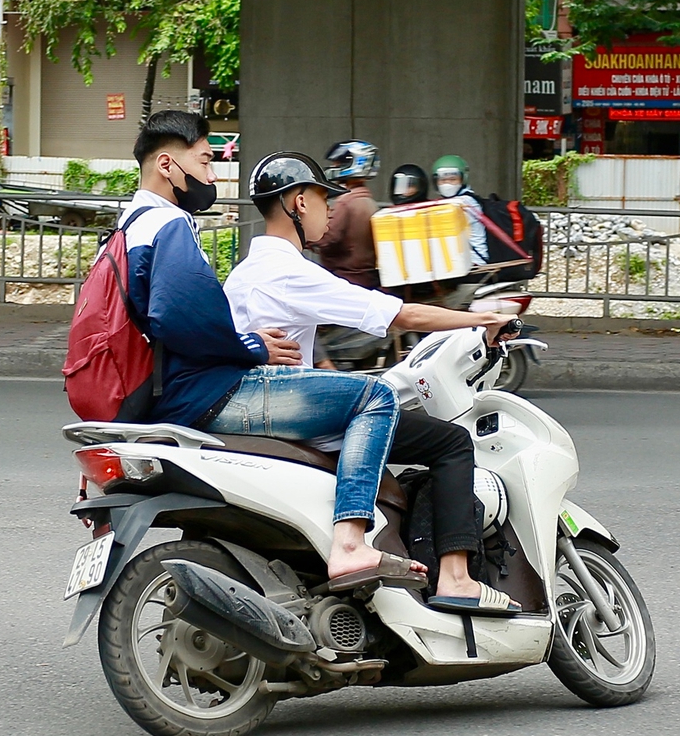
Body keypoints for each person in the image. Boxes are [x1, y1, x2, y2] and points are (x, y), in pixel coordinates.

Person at [117, 112, 417, 591]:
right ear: (169, 165)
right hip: (203, 393)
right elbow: (179, 320)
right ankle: (351, 541)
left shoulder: (125, 225)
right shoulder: (168, 222)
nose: (212, 176)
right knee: (373, 398)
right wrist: (251, 346)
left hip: (151, 398)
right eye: (207, 161)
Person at [227, 152, 524, 616]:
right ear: (298, 202)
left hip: (260, 408)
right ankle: (456, 576)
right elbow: (398, 316)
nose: (329, 209)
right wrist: (484, 318)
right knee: (449, 443)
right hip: (295, 414)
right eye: (325, 198)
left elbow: (297, 339)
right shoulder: (292, 271)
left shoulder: (244, 273)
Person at [305, 140, 380, 289]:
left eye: (338, 163)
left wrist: (303, 236)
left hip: (346, 278)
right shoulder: (367, 201)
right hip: (366, 278)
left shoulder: (346, 202)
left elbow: (327, 236)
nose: (334, 166)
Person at [432, 154, 489, 264]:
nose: (447, 184)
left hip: (474, 264)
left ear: (463, 179)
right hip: (461, 263)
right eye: (443, 180)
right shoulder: (452, 201)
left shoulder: (465, 202)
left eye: (453, 179)